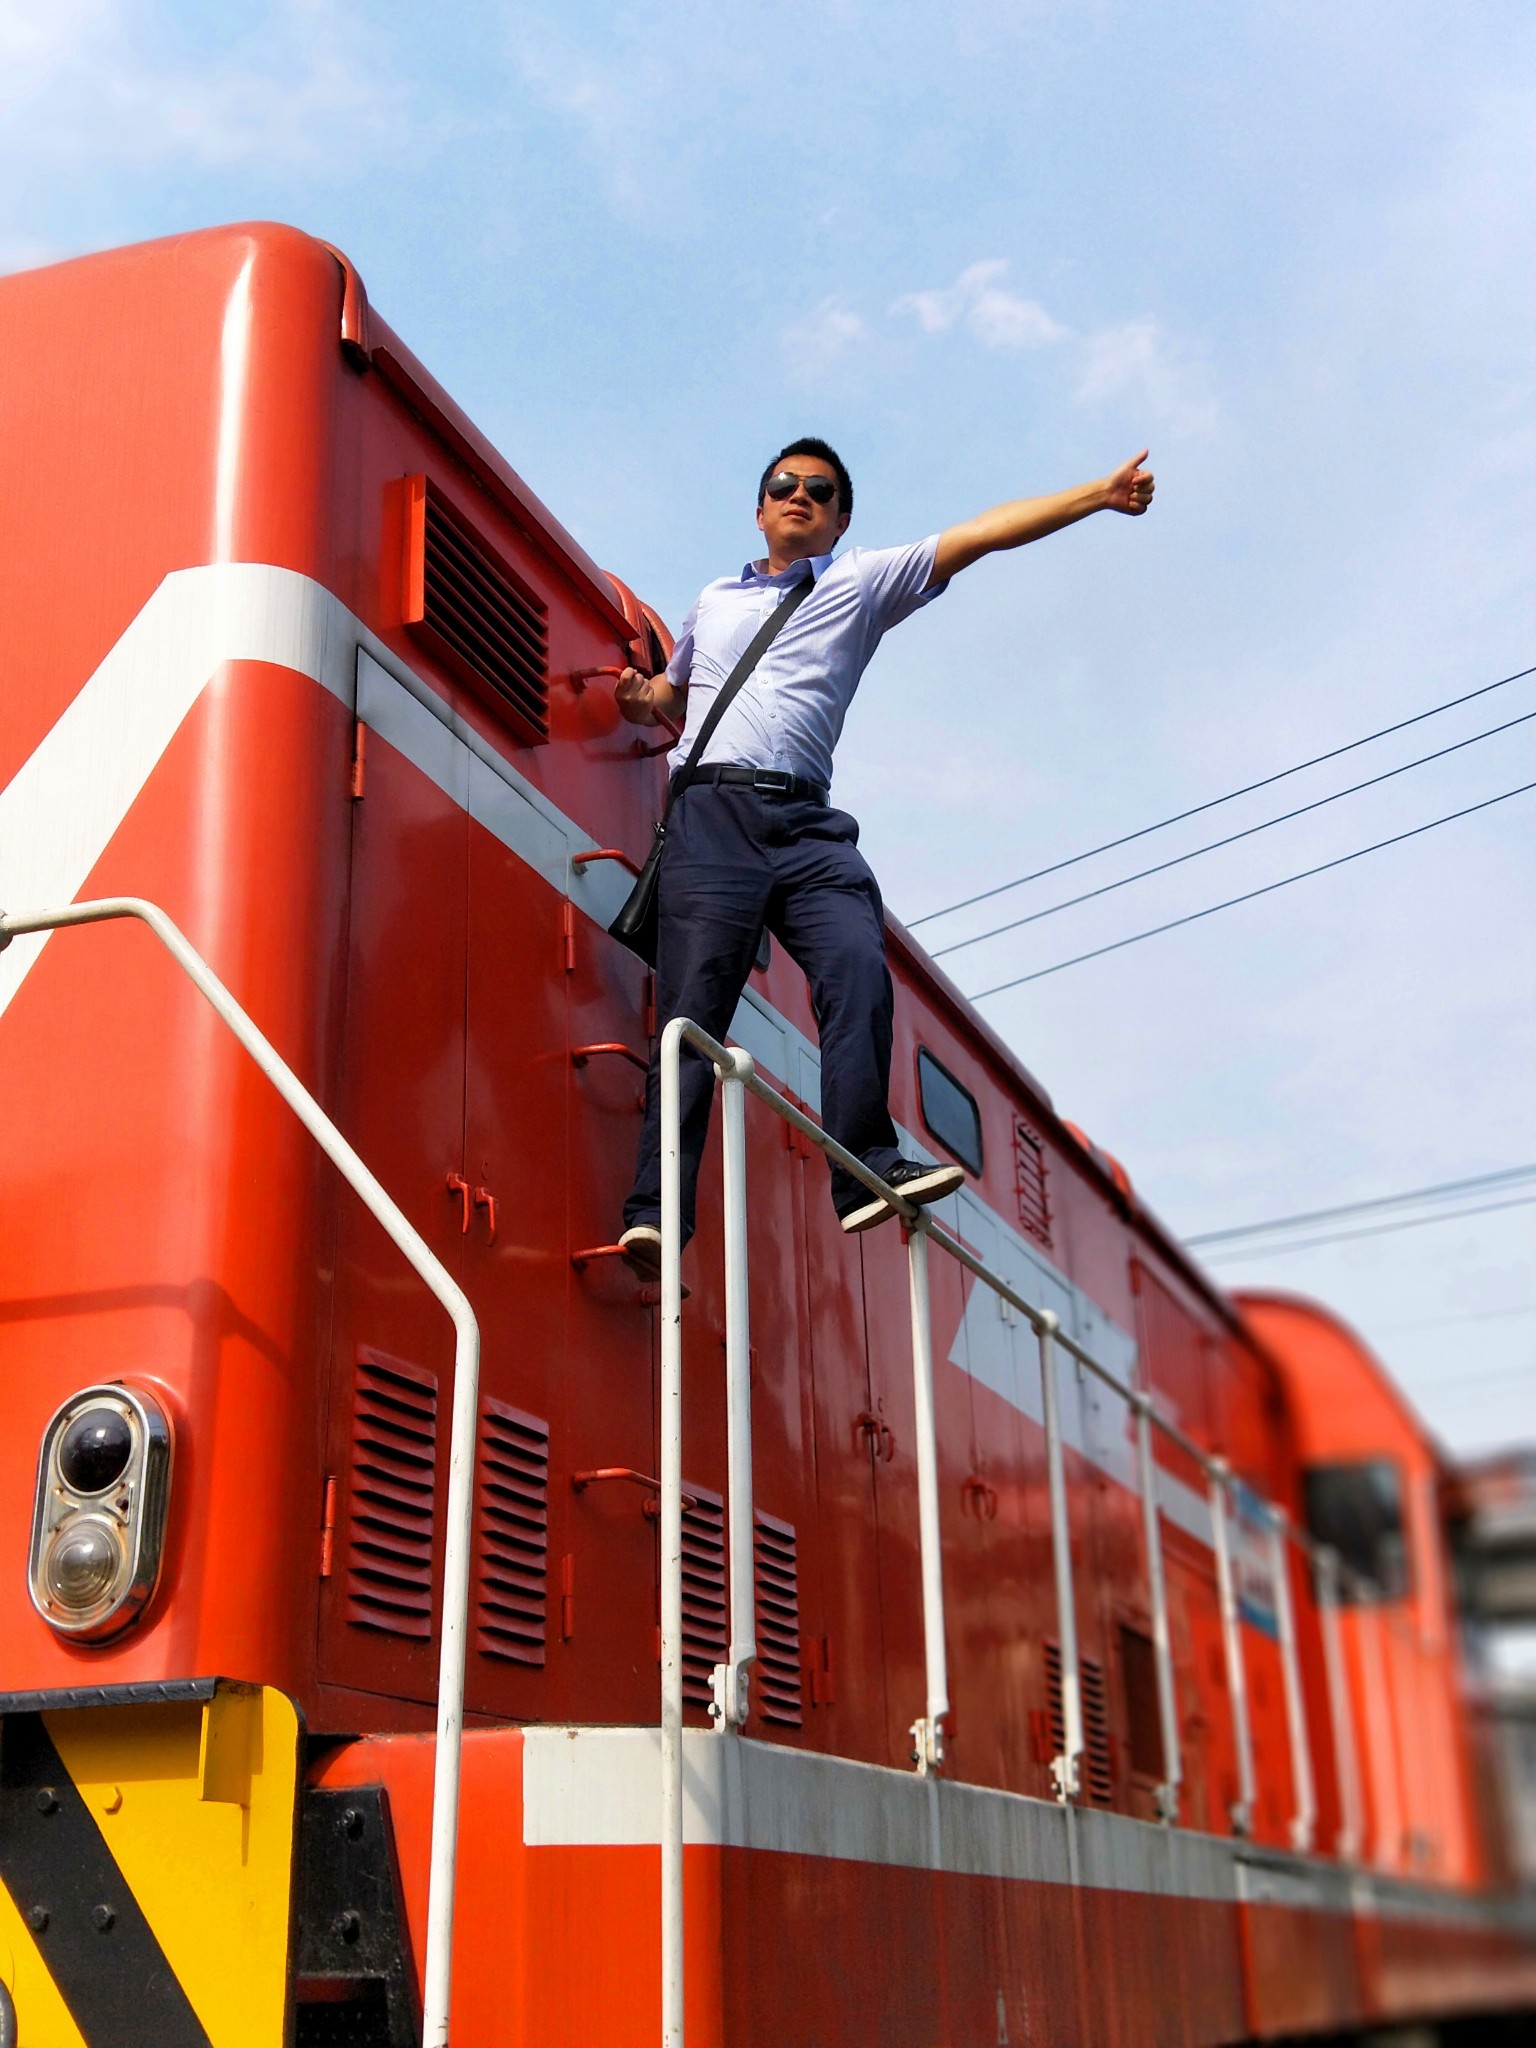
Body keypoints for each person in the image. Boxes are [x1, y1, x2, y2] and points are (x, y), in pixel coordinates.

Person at [615, 436, 1155, 1277]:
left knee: (860, 969)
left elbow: (982, 534)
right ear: (759, 510)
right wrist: (637, 697)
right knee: (693, 1012)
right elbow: (670, 697)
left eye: (819, 489)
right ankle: (656, 1214)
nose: (799, 494)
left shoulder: (861, 582)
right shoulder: (712, 601)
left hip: (808, 825)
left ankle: (864, 1166)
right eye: (783, 484)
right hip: (711, 816)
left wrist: (1100, 495)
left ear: (839, 521)